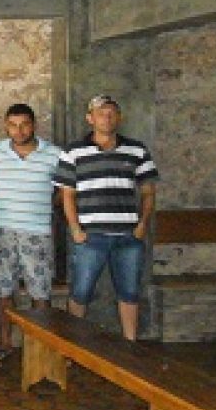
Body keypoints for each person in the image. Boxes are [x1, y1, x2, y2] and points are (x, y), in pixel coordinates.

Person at [54, 95, 158, 341]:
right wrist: (75, 229)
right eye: (101, 113)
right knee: (80, 292)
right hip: (91, 236)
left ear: (119, 118)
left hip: (128, 236)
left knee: (130, 293)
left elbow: (148, 191)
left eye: (111, 113)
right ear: (90, 118)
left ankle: (130, 345)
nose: (107, 118)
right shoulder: (73, 152)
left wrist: (142, 224)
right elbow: (67, 195)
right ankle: (75, 345)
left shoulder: (136, 150)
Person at [0, 104, 62, 357]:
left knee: (40, 291)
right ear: (6, 126)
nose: (19, 130)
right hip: (2, 231)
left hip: (38, 232)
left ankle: (41, 347)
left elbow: (64, 191)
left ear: (34, 125)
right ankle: (6, 342)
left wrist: (44, 205)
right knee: (4, 291)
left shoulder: (54, 154)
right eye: (13, 125)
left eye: (25, 124)